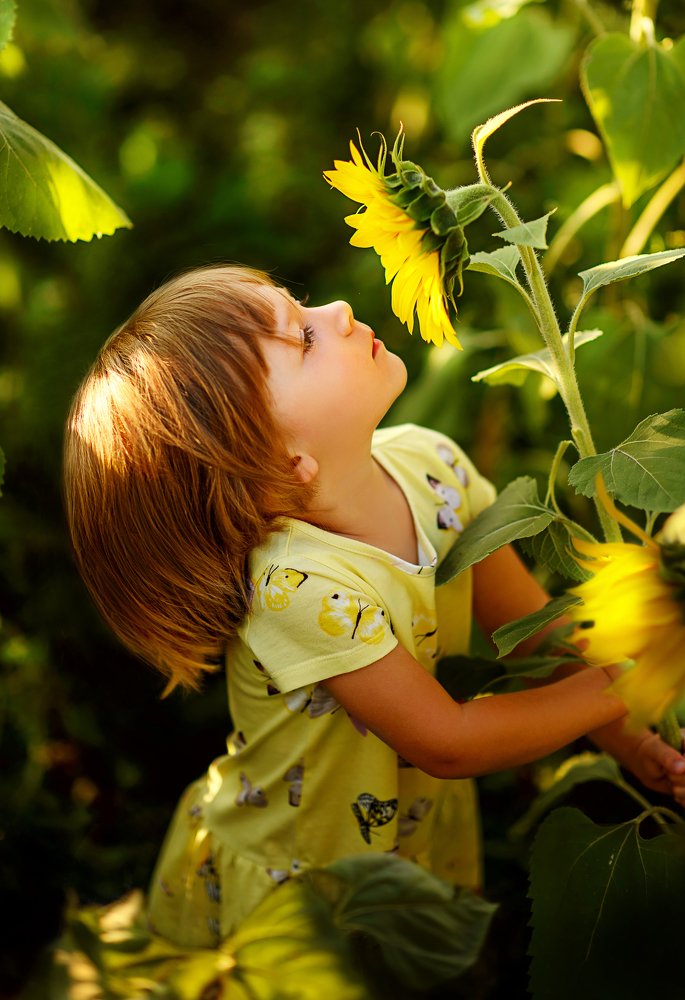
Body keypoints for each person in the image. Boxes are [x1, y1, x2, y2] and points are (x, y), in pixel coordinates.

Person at [63, 264, 685, 948]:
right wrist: (637, 671)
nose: (336, 309)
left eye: (300, 304)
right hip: (303, 890)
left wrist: (629, 738)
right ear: (281, 461)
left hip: (406, 844)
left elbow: (533, 638)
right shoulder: (298, 589)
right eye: (301, 338)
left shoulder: (434, 466)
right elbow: (444, 742)